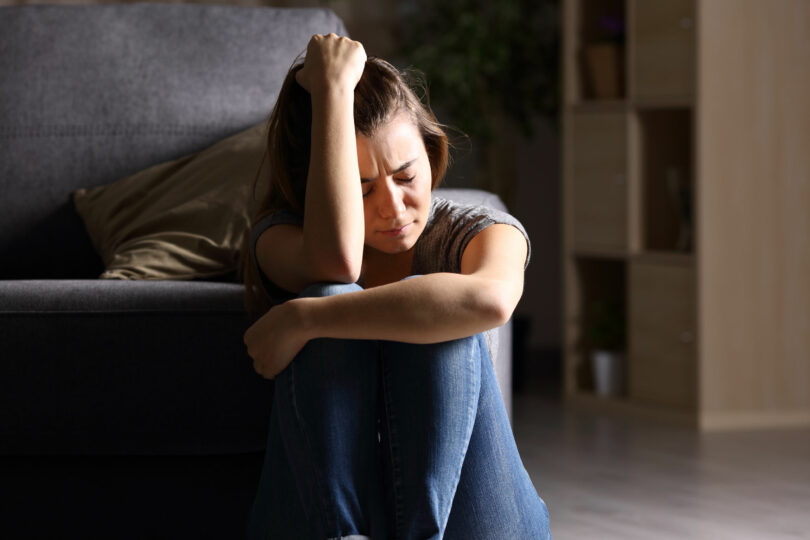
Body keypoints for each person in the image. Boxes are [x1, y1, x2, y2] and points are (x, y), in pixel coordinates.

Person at [242, 33, 551, 540]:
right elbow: (336, 263)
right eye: (362, 188)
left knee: (441, 309)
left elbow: (490, 299)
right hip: (320, 524)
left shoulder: (479, 230)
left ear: (431, 154)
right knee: (329, 291)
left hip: (472, 526)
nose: (391, 207)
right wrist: (333, 91)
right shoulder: (282, 236)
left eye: (406, 176)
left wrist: (302, 319)